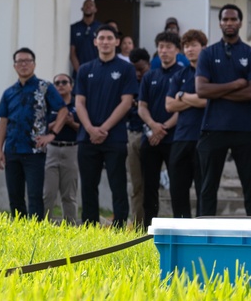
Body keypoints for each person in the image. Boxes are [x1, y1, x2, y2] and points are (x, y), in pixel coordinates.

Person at [195, 4, 251, 216]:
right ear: (220, 23)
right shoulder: (207, 54)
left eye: (233, 19)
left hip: (245, 128)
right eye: (225, 20)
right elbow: (201, 90)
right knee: (207, 187)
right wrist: (234, 85)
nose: (229, 23)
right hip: (213, 127)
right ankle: (204, 232)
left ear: (240, 23)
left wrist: (217, 91)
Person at [75, 25, 138, 227]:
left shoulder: (126, 68)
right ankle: (89, 226)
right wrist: (91, 129)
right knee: (88, 185)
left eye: (109, 38)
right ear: (95, 42)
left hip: (115, 137)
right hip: (87, 138)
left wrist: (104, 129)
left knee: (117, 184)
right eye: (101, 38)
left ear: (116, 42)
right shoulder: (85, 69)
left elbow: (126, 102)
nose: (105, 41)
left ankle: (120, 226)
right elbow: (79, 103)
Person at [0, 48, 66, 219]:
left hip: (35, 151)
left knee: (35, 196)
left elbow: (63, 110)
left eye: (27, 61)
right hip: (12, 150)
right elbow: (3, 122)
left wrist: (52, 135)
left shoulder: (45, 87)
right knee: (15, 196)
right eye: (20, 61)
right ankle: (20, 232)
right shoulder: (9, 92)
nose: (24, 64)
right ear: (14, 66)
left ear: (34, 64)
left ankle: (36, 233)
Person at [138, 31, 182, 227]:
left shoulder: (183, 74)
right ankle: (149, 226)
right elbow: (142, 107)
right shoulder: (150, 76)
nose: (164, 51)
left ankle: (179, 226)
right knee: (149, 186)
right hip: (151, 138)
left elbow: (183, 107)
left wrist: (163, 128)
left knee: (177, 186)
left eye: (169, 47)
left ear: (177, 50)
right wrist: (154, 127)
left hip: (174, 138)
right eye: (161, 47)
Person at [165, 29, 208, 218]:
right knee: (177, 189)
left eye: (194, 45)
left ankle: (201, 228)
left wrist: (182, 96)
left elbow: (207, 100)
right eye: (187, 46)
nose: (190, 49)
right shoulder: (179, 75)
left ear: (203, 47)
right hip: (181, 137)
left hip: (204, 137)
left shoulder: (210, 73)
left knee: (203, 189)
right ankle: (180, 226)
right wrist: (194, 99)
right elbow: (169, 105)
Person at [43, 73, 81, 225]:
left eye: (64, 82)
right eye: (57, 83)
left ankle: (70, 226)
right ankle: (43, 225)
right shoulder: (49, 104)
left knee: (69, 194)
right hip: (52, 149)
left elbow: (84, 129)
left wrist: (71, 123)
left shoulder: (78, 105)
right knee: (48, 193)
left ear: (71, 86)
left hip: (71, 149)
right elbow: (42, 128)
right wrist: (58, 122)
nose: (60, 85)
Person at [126, 48, 151, 226]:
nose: (137, 74)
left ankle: (151, 223)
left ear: (148, 65)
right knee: (136, 185)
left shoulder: (155, 80)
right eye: (134, 70)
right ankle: (137, 224)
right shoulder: (128, 84)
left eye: (141, 69)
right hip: (132, 134)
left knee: (151, 185)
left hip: (153, 136)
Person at [70, 0, 103, 74]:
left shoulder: (101, 28)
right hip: (80, 71)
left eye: (91, 5)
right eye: (86, 5)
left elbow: (104, 50)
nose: (88, 7)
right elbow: (72, 53)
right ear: (82, 9)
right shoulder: (74, 28)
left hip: (97, 71)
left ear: (95, 9)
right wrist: (80, 71)